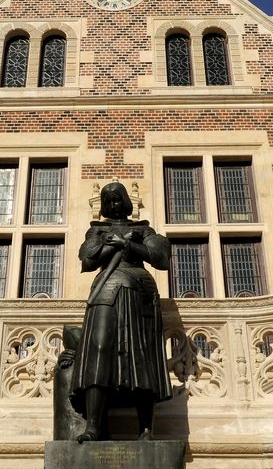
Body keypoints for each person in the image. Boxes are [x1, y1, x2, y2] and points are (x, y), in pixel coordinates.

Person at [70, 181, 172, 442]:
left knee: (141, 355)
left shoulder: (143, 229)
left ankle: (146, 429)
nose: (114, 205)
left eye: (118, 199)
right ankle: (93, 426)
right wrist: (115, 244)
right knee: (99, 350)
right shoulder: (96, 231)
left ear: (126, 202)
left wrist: (131, 246)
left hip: (139, 291)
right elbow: (88, 260)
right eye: (109, 201)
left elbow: (160, 257)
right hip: (106, 291)